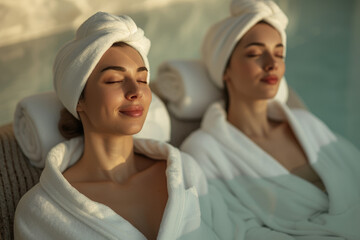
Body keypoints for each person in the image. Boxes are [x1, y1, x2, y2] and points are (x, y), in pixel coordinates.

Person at [13, 12, 250, 240]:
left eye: (142, 79)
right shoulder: (40, 212)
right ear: (80, 100)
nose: (136, 92)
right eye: (114, 80)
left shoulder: (183, 171)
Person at [181, 0, 360, 239]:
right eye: (255, 53)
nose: (272, 64)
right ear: (225, 69)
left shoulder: (306, 124)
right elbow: (231, 228)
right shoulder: (205, 150)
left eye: (279, 53)